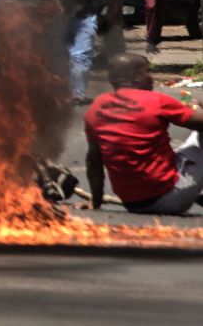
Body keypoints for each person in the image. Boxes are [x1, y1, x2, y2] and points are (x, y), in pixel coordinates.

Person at [85, 53, 203, 215]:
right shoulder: (156, 100)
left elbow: (93, 161)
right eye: (148, 72)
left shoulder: (97, 106)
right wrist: (195, 107)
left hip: (132, 203)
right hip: (171, 197)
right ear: (137, 77)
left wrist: (96, 201)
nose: (151, 77)